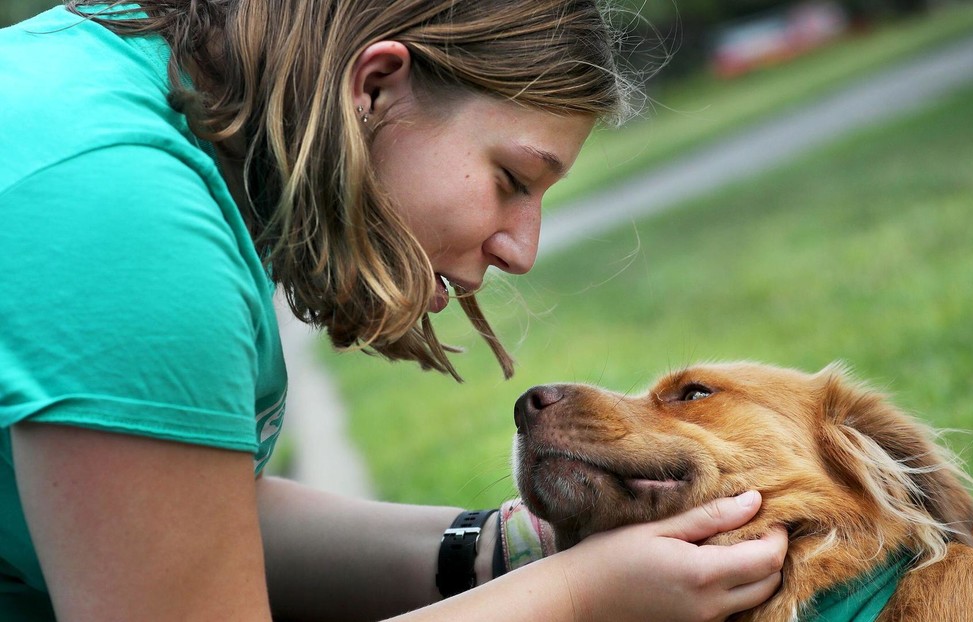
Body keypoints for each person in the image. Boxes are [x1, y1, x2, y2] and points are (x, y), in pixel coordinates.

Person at [0, 1, 788, 620]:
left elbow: (169, 524)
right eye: (513, 179)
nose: (521, 248)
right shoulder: (125, 211)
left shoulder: (126, 95)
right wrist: (577, 599)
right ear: (375, 87)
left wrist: (502, 550)